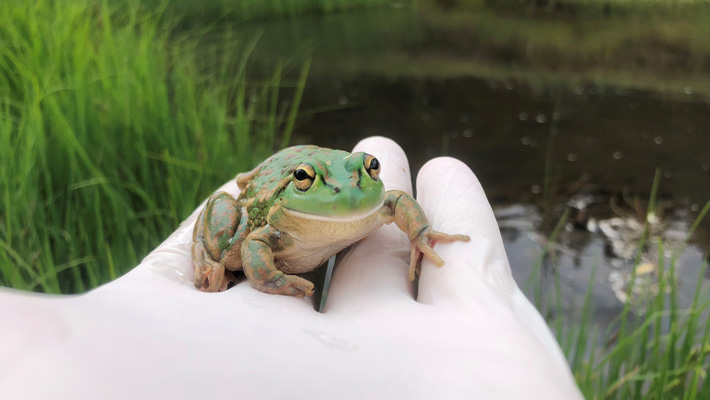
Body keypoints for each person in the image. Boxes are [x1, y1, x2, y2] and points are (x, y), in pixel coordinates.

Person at [0, 137, 582, 399]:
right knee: (224, 227)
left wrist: (421, 233)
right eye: (311, 183)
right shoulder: (272, 215)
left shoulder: (371, 191)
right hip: (266, 193)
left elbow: (396, 201)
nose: (358, 188)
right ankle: (213, 250)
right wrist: (269, 277)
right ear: (298, 185)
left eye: (369, 169)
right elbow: (253, 248)